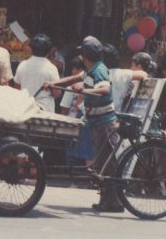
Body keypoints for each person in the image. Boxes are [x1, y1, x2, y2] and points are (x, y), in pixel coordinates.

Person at [45, 36, 123, 213]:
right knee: (100, 162)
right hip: (96, 120)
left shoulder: (99, 70)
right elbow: (73, 80)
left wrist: (84, 90)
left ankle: (115, 202)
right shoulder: (89, 69)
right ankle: (106, 200)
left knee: (107, 162)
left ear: (85, 55)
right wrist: (53, 83)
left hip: (105, 122)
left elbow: (105, 89)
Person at [14, 34, 61, 112]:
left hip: (24, 108)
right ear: (49, 51)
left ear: (31, 49)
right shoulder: (51, 68)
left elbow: (17, 89)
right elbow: (56, 93)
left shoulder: (22, 65)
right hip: (44, 110)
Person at [60, 55, 92, 165]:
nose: (72, 71)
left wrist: (61, 126)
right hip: (86, 124)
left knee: (71, 152)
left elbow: (64, 109)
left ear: (81, 71)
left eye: (74, 69)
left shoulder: (71, 87)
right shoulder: (92, 86)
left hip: (71, 124)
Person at [102, 44, 150, 112]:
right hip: (114, 116)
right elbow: (144, 74)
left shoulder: (93, 73)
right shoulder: (123, 74)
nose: (131, 67)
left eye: (132, 65)